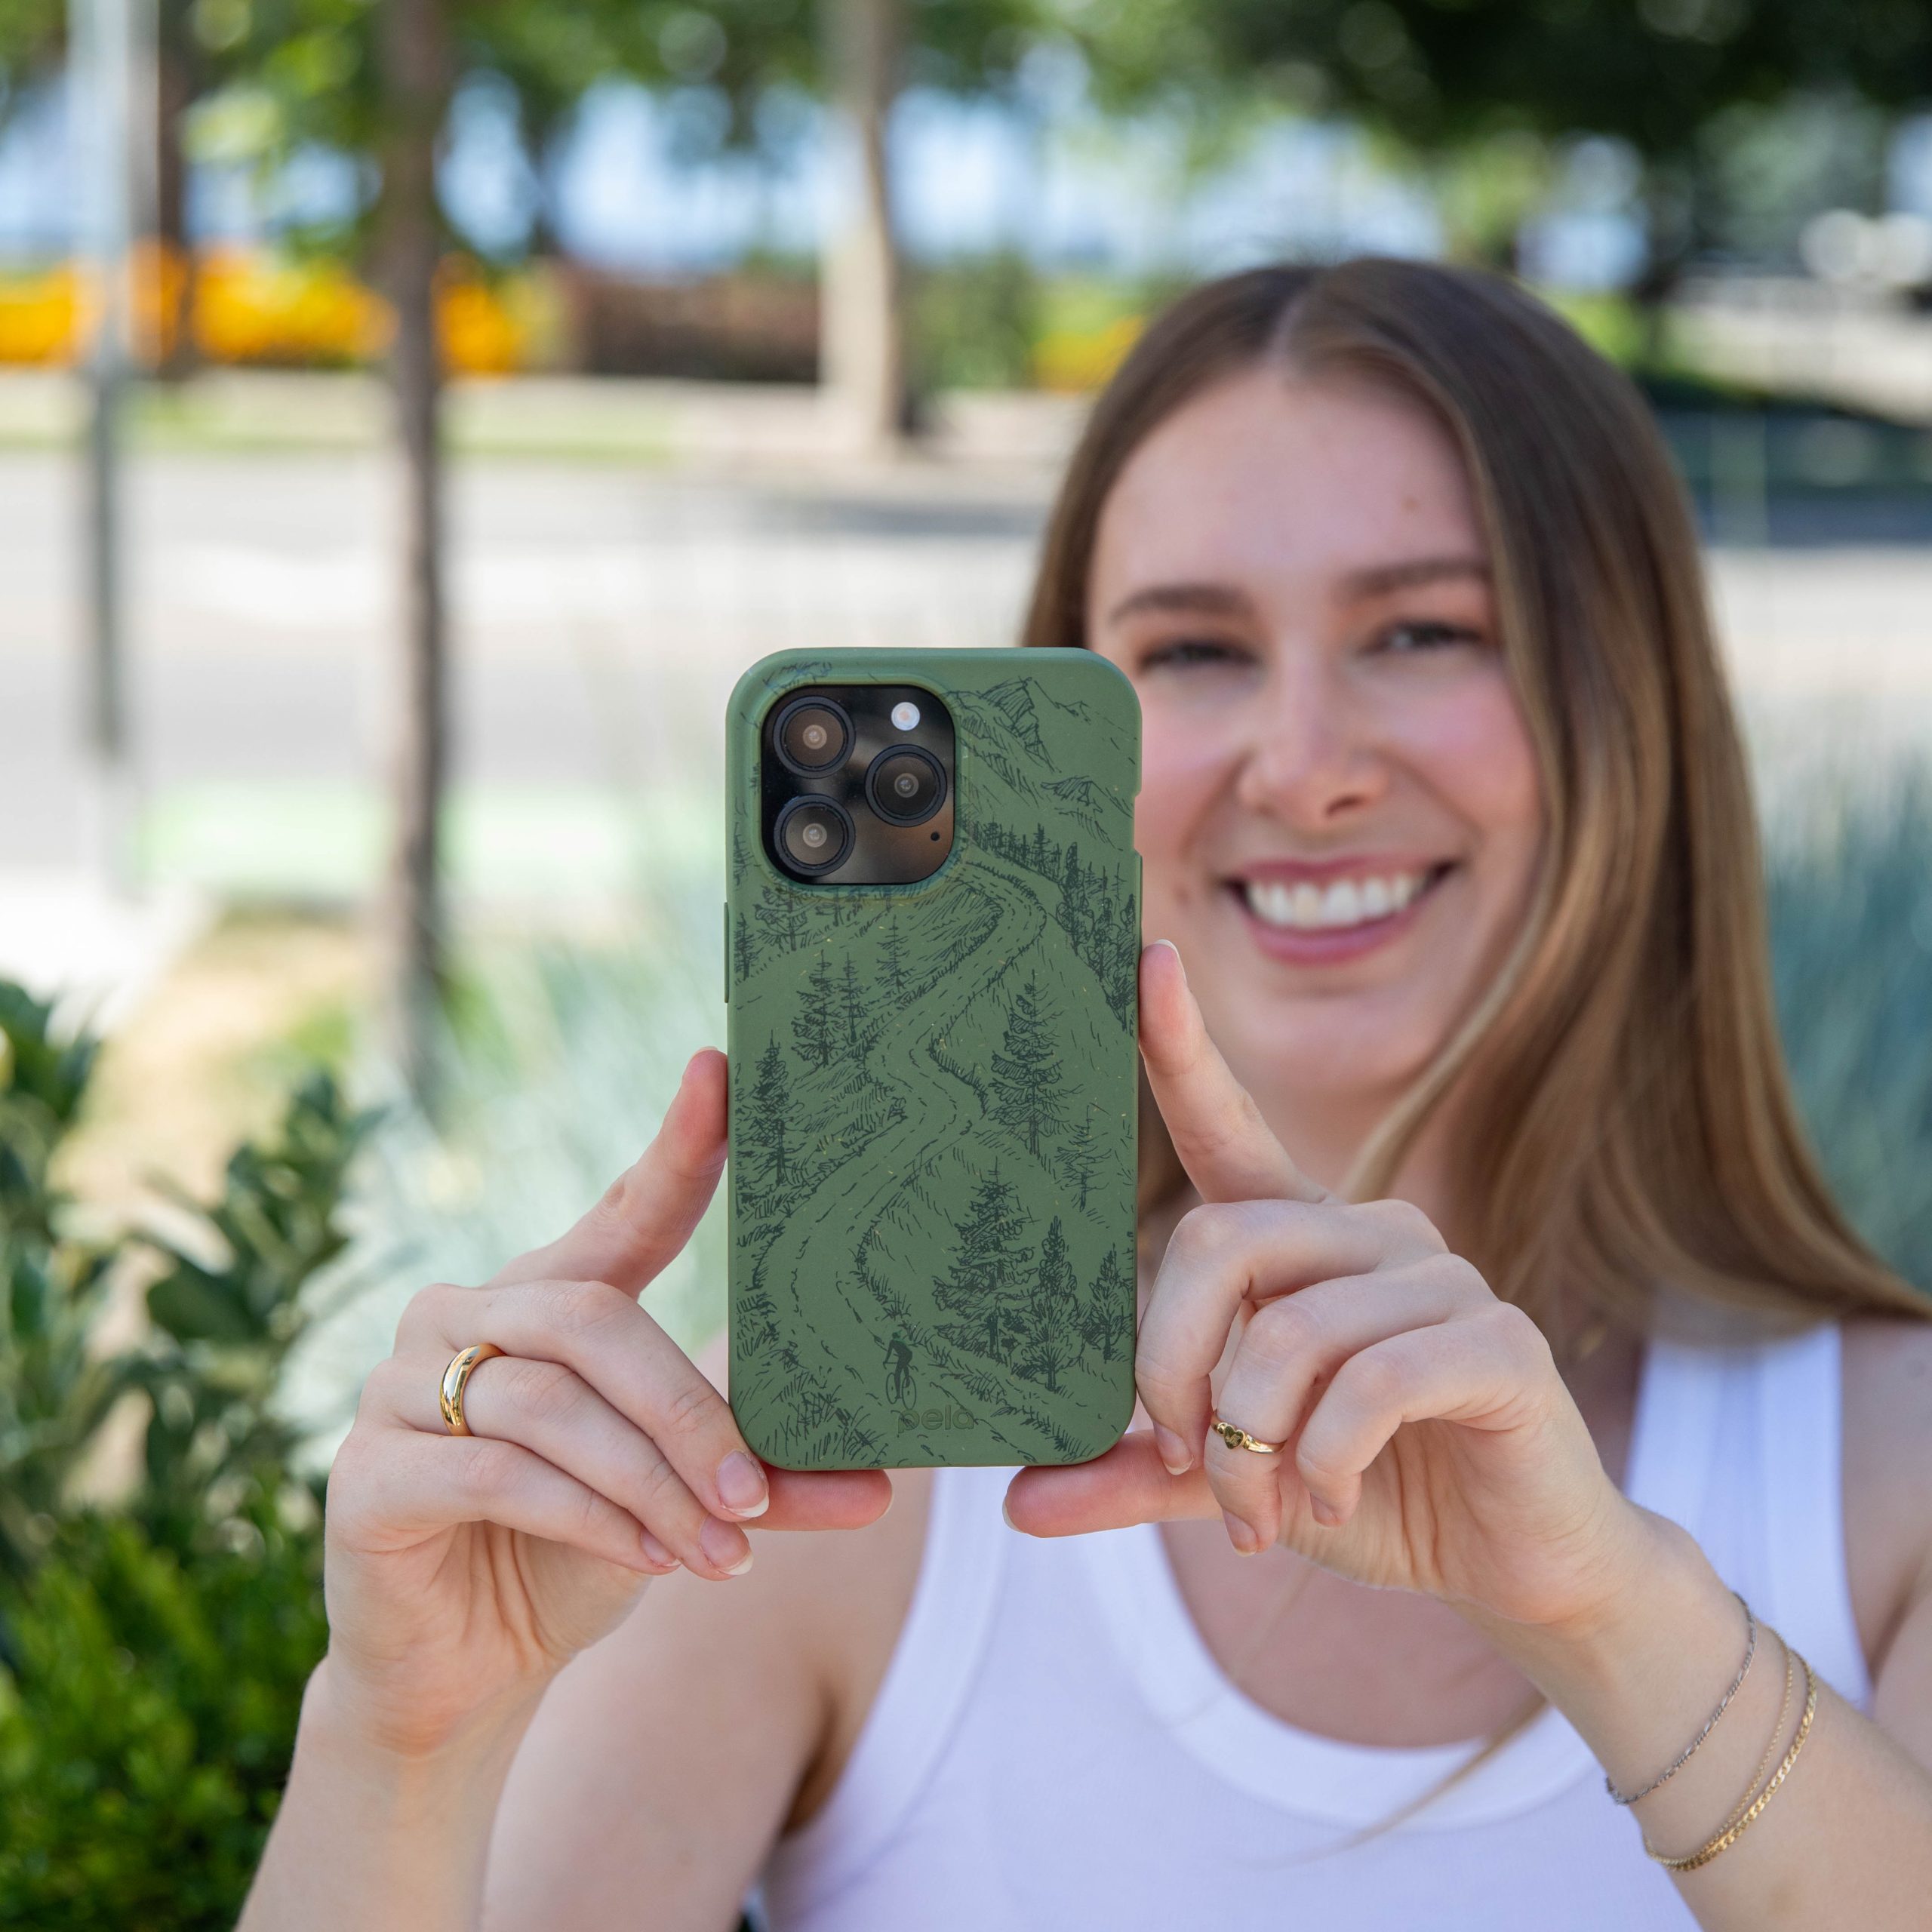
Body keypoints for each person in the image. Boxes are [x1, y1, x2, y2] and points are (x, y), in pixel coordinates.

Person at [242, 260, 1932, 1930]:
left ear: (1625, 706)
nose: (1304, 758)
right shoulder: (835, 1468)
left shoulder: (1893, 1475)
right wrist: (403, 1740)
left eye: (1423, 628)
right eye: (1191, 649)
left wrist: (1600, 1608)